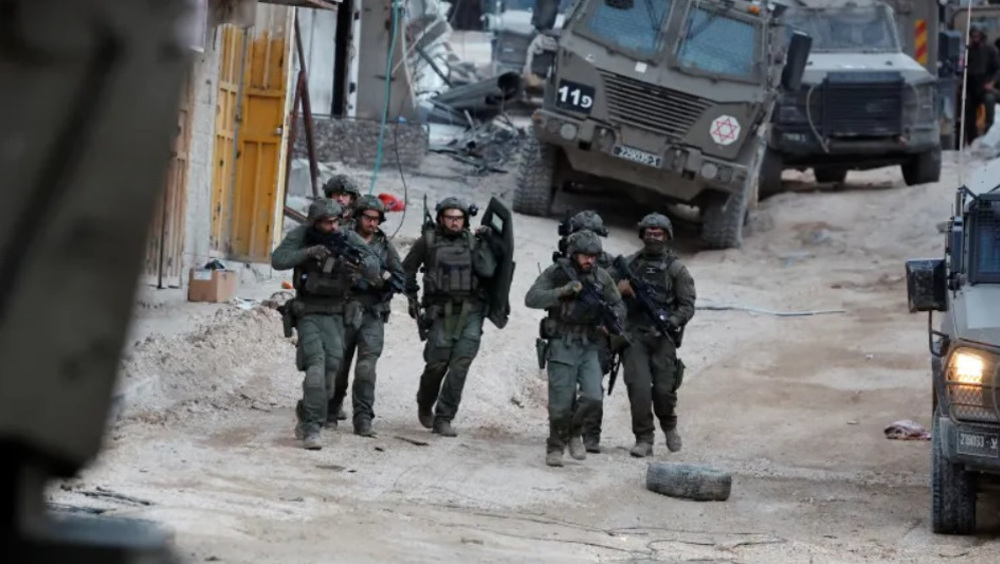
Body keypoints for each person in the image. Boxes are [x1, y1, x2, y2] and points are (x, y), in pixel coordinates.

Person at [270, 198, 381, 450]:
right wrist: (308, 253)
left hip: (336, 316)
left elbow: (373, 264)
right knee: (315, 370)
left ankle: (307, 409)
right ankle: (313, 427)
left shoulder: (346, 237)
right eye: (327, 223)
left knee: (330, 377)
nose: (332, 227)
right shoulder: (302, 235)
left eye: (335, 222)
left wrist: (358, 265)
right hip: (308, 312)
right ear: (315, 222)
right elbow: (278, 260)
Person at [525, 230, 626, 467]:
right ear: (573, 254)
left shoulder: (601, 277)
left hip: (589, 346)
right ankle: (555, 447)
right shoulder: (557, 273)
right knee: (559, 404)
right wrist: (563, 292)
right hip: (562, 344)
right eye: (584, 256)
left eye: (593, 256)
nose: (589, 260)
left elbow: (617, 304)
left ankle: (574, 432)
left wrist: (612, 321)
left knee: (593, 397)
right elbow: (531, 298)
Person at [402, 197, 499, 437]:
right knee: (436, 365)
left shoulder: (473, 242)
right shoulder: (428, 241)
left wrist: (486, 242)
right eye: (450, 218)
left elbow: (488, 271)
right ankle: (425, 403)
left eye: (459, 218)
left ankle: (444, 417)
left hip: (471, 312)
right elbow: (407, 269)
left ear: (465, 220)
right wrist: (412, 298)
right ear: (441, 219)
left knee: (460, 366)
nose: (455, 223)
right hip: (441, 312)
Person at [608, 213, 696, 458]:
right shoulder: (630, 264)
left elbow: (687, 306)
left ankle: (669, 426)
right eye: (649, 232)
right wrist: (620, 290)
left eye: (658, 233)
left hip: (662, 338)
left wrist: (671, 321)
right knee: (639, 390)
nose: (653, 237)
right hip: (634, 336)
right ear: (642, 235)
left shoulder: (676, 269)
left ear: (667, 236)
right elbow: (605, 289)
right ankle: (644, 438)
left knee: (663, 392)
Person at [328, 195, 405, 436]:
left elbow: (400, 279)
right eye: (368, 218)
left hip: (372, 313)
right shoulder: (342, 237)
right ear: (358, 216)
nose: (372, 223)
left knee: (366, 369)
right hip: (344, 310)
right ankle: (331, 411)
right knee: (338, 365)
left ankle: (363, 419)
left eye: (376, 219)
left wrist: (380, 279)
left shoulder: (384, 246)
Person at [555, 210, 613, 454]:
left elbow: (617, 296)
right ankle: (564, 432)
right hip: (569, 329)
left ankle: (591, 434)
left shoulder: (608, 264)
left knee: (594, 386)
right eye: (581, 233)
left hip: (598, 331)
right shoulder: (564, 262)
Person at [964, 24, 1000, 146]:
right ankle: (971, 141)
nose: (975, 38)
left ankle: (988, 136)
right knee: (967, 112)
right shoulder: (968, 50)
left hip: (986, 87)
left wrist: (992, 83)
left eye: (977, 35)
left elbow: (998, 70)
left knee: (989, 102)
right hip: (971, 87)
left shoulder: (991, 50)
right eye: (973, 36)